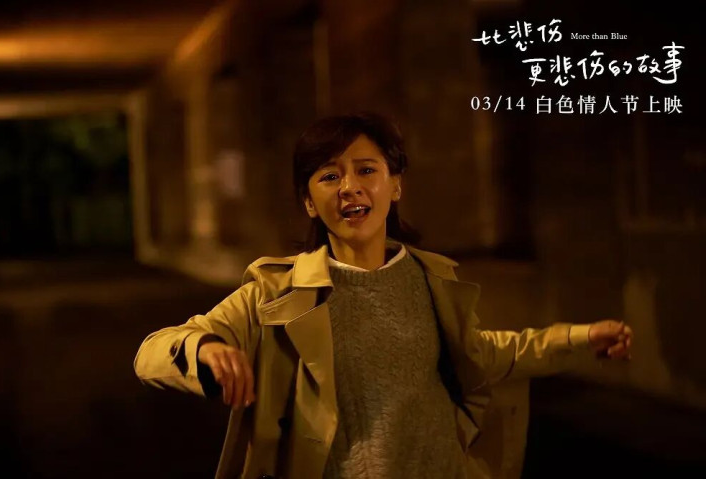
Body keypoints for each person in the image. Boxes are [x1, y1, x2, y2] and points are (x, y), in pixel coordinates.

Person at [134, 112, 633, 479]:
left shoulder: (432, 280)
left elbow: (484, 353)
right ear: (309, 202)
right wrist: (205, 348)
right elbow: (152, 354)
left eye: (367, 170)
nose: (349, 187)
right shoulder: (275, 292)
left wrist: (579, 338)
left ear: (395, 186)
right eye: (329, 176)